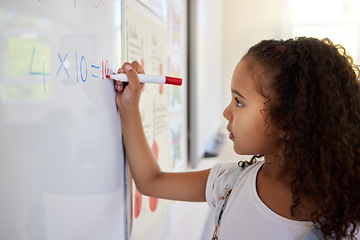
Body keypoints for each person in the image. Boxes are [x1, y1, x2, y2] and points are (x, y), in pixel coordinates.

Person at [113, 37, 360, 239]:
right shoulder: (229, 183)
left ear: (286, 123)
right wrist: (129, 107)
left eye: (239, 102)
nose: (226, 112)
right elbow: (151, 181)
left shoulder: (343, 226)